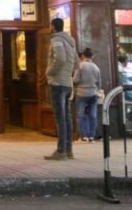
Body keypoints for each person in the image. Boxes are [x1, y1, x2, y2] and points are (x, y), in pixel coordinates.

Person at [45, 17, 80, 161]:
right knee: (66, 117)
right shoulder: (71, 41)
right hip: (67, 83)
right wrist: (67, 73)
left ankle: (61, 152)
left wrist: (49, 72)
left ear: (53, 26)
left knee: (60, 118)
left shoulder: (56, 40)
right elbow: (77, 62)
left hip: (58, 83)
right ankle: (68, 150)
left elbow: (59, 58)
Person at [75, 47, 102, 142]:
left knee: (81, 115)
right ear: (92, 56)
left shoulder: (80, 66)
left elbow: (75, 80)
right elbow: (99, 83)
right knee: (93, 115)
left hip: (82, 93)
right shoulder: (96, 67)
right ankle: (91, 136)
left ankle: (84, 136)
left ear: (83, 56)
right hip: (93, 93)